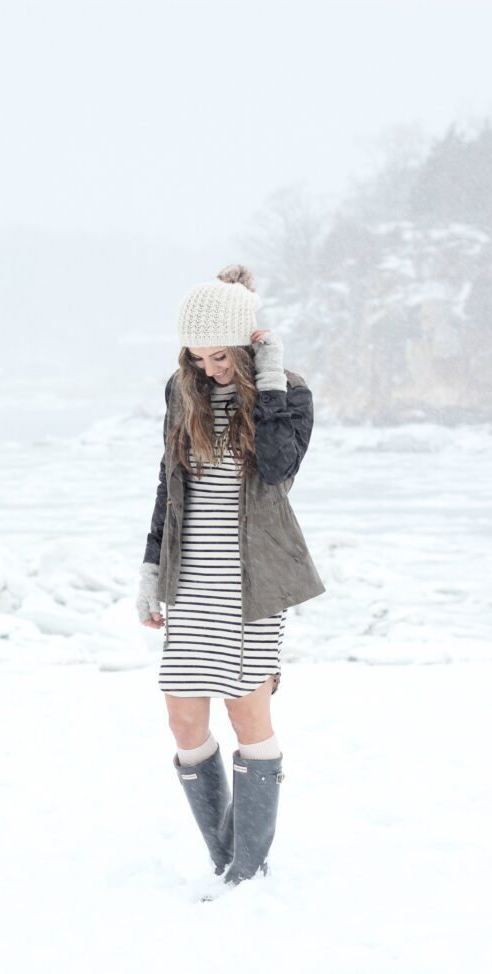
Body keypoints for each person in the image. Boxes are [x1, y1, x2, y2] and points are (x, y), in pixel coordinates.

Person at [136, 264, 325, 886]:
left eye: (220, 357)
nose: (209, 369)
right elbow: (169, 485)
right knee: (183, 720)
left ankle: (247, 870)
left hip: (251, 581)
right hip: (191, 579)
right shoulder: (181, 389)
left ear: (245, 346)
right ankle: (228, 862)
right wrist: (151, 569)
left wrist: (265, 379)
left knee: (248, 720)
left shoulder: (287, 393)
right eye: (197, 358)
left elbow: (274, 469)